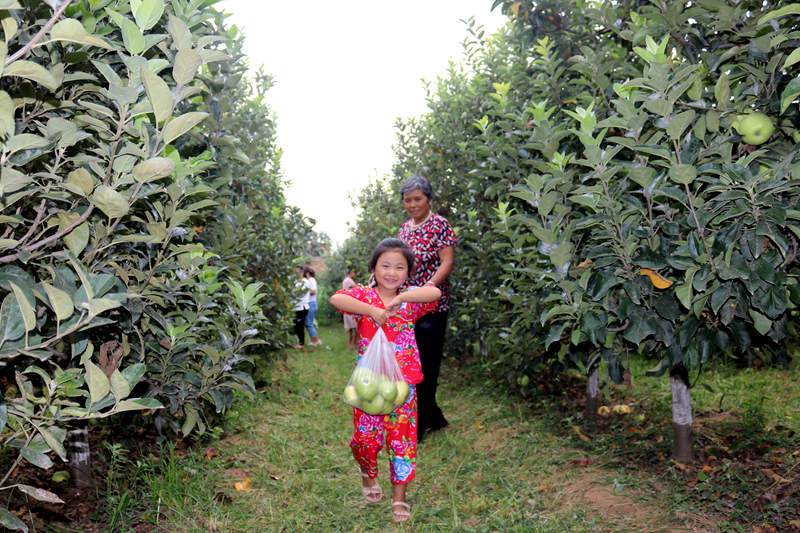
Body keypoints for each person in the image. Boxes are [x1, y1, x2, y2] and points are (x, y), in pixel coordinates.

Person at [330, 238, 441, 524]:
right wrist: (373, 312)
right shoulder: (365, 297)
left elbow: (434, 292)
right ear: (374, 267)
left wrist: (401, 298)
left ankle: (399, 498)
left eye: (400, 267)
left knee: (402, 442)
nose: (392, 273)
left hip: (404, 385)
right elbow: (336, 299)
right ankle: (368, 474)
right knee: (366, 440)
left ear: (407, 272)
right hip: (370, 385)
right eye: (385, 266)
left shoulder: (410, 301)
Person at [396, 174, 456, 442]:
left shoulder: (440, 225)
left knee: (428, 364)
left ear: (428, 199)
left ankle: (419, 425)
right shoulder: (404, 230)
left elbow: (447, 261)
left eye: (417, 199)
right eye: (407, 200)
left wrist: (429, 287)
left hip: (433, 304)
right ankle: (434, 417)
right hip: (408, 306)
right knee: (411, 362)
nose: (412, 204)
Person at [292, 266, 309, 349]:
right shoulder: (295, 281)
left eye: (298, 272)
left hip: (302, 307)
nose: (296, 273)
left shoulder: (305, 281)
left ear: (302, 272)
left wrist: (292, 292)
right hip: (295, 307)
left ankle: (301, 344)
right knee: (296, 326)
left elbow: (301, 293)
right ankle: (299, 342)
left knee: (300, 326)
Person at [303, 267, 322, 346]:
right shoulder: (310, 280)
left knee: (308, 323)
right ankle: (315, 340)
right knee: (309, 323)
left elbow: (313, 291)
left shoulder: (311, 280)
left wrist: (303, 291)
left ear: (307, 273)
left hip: (311, 303)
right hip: (310, 303)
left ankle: (315, 341)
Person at [342, 266, 358, 348]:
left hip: (347, 303)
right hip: (350, 304)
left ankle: (352, 343)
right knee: (354, 326)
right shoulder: (348, 281)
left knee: (351, 327)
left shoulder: (346, 280)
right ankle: (352, 344)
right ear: (350, 273)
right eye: (353, 272)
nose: (354, 274)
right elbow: (355, 289)